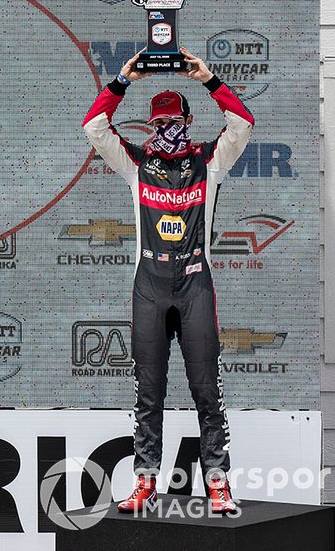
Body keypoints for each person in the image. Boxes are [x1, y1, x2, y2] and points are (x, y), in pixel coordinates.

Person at [83, 48, 253, 515]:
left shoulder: (209, 162)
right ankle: (144, 481)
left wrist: (209, 78)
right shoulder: (136, 163)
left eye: (175, 120)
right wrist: (122, 79)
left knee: (206, 391)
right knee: (148, 393)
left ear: (188, 120)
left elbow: (242, 124)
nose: (167, 129)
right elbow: (94, 128)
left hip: (197, 286)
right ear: (150, 126)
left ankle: (218, 483)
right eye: (159, 123)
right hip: (151, 287)